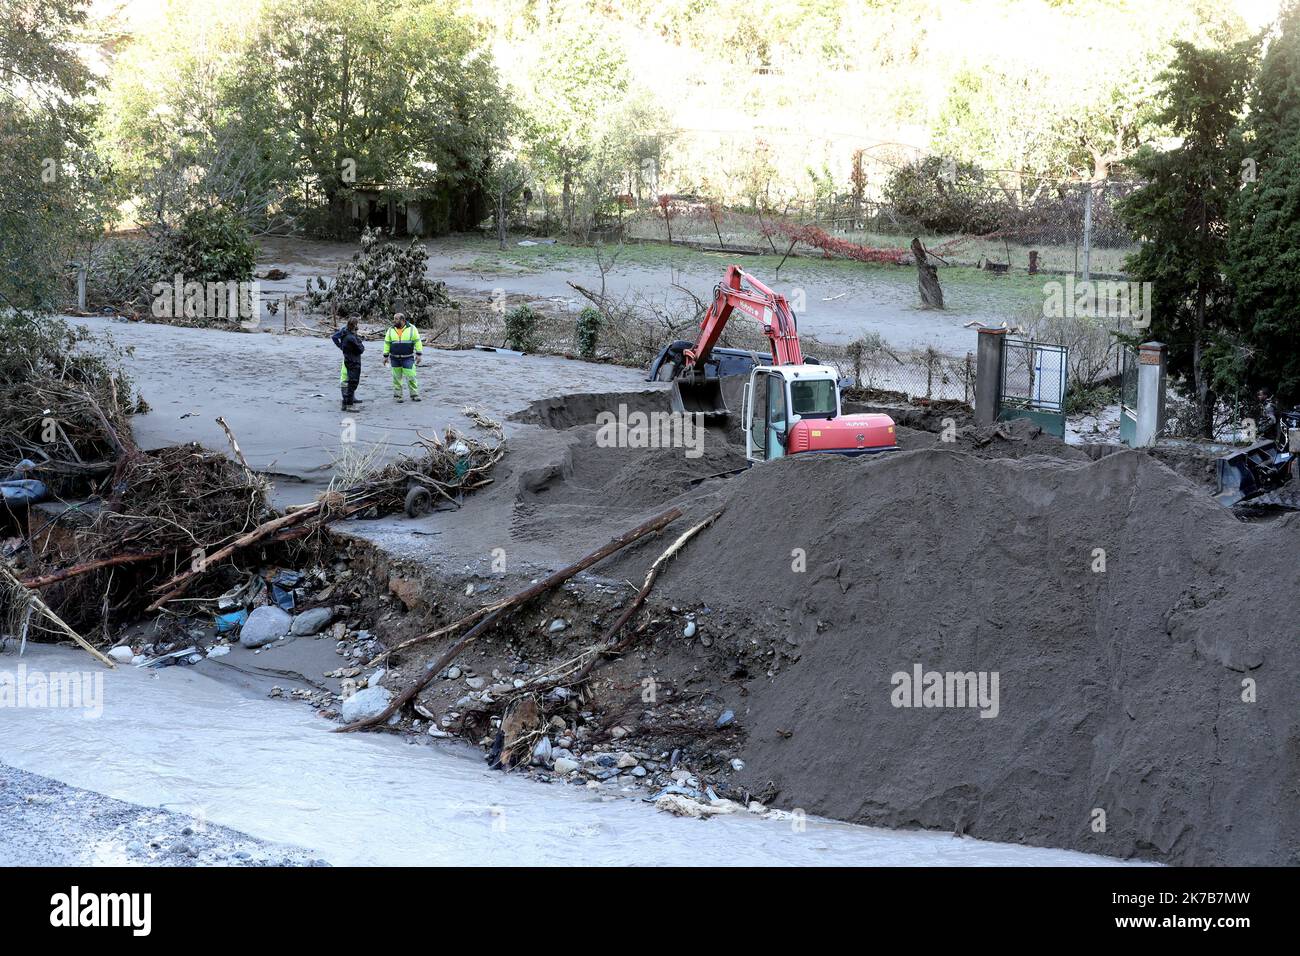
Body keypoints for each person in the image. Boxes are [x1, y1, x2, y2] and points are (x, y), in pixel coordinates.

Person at [383, 312, 423, 402]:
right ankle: (398, 396)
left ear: (403, 320)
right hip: (394, 358)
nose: (394, 321)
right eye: (394, 318)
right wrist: (385, 356)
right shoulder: (390, 330)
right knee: (396, 378)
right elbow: (387, 343)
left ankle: (414, 395)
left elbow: (417, 341)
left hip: (408, 358)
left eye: (396, 319)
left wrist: (419, 354)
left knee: (411, 376)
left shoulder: (412, 329)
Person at [331, 317, 366, 411]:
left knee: (350, 381)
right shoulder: (350, 337)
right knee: (352, 381)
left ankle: (347, 401)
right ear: (354, 325)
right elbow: (361, 349)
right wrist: (358, 341)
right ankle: (348, 403)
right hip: (352, 360)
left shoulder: (345, 332)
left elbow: (335, 337)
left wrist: (341, 346)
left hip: (348, 358)